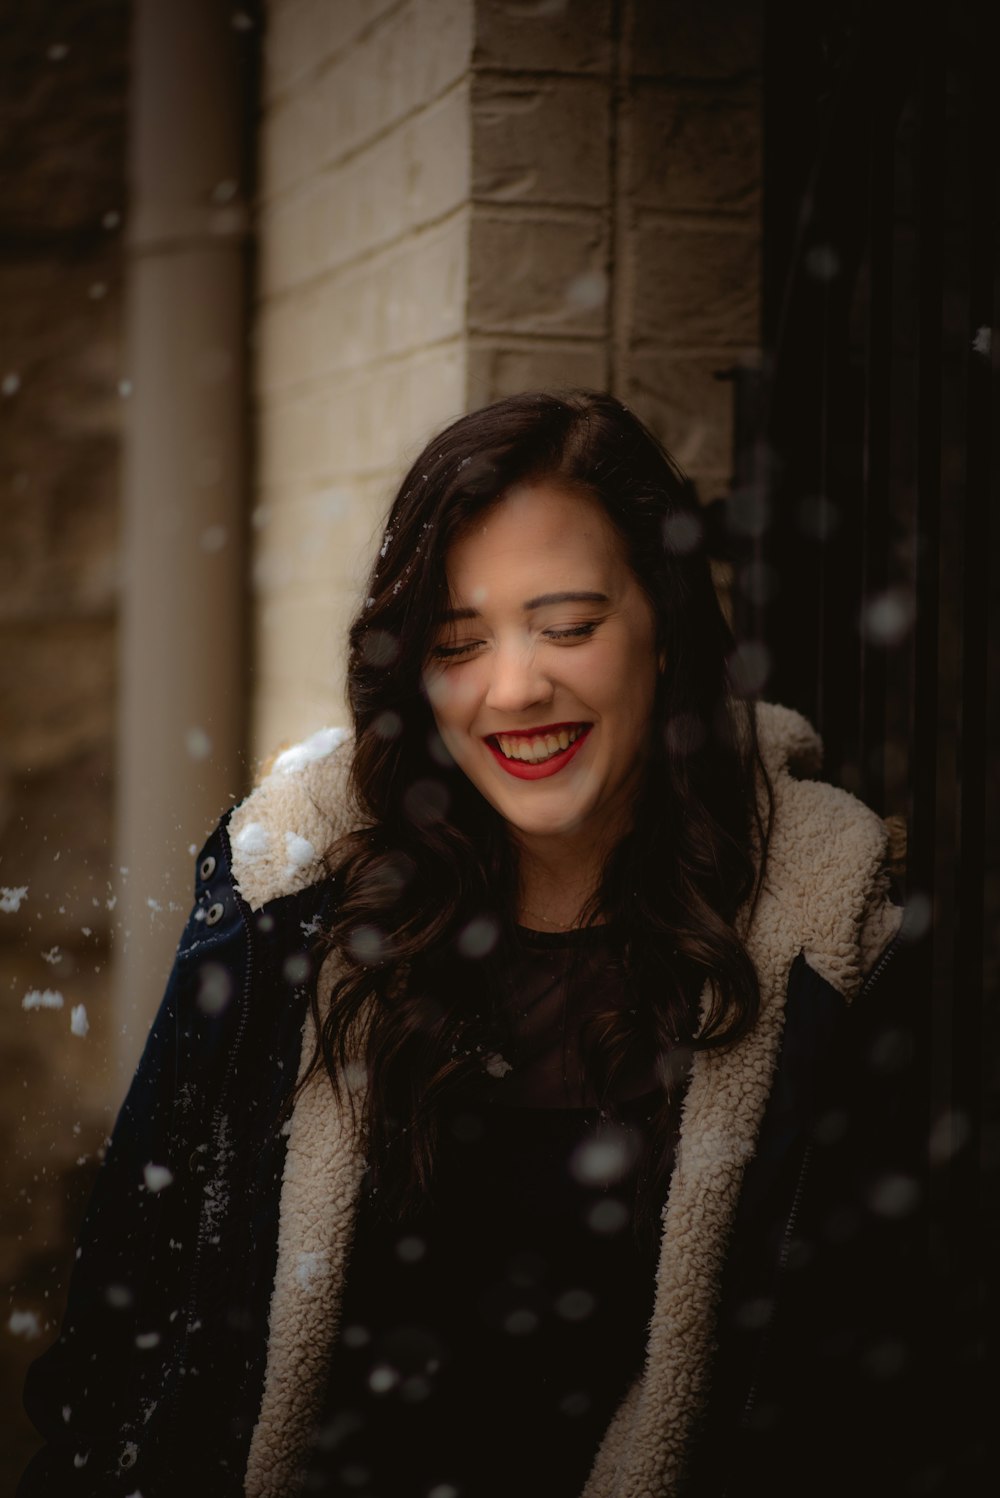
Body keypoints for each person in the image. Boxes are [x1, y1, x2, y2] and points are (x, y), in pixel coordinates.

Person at [18, 391, 923, 1498]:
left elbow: (855, 1397)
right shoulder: (289, 889)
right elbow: (129, 1314)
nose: (513, 687)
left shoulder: (816, 927)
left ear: (666, 629)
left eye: (569, 625)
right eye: (458, 642)